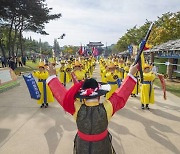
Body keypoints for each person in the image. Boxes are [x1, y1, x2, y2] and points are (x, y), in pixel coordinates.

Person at [46, 63, 138, 154]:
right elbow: (121, 95)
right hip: (102, 146)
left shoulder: (77, 108)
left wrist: (52, 77)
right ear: (99, 95)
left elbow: (63, 96)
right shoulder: (107, 108)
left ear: (83, 96)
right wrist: (130, 74)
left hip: (82, 146)